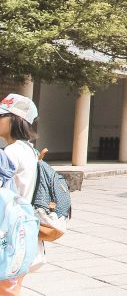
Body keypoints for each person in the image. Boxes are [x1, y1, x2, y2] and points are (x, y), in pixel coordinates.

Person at [0, 93, 42, 295]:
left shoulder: (11, 152)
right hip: (22, 232)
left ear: (16, 120)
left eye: (2, 116)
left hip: (7, 232)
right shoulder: (29, 150)